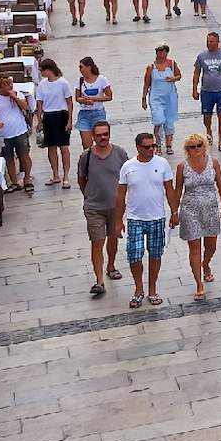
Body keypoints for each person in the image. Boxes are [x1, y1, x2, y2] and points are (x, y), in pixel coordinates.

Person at [116, 132, 177, 309]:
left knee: (155, 254)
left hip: (157, 216)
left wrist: (174, 212)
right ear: (138, 148)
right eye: (147, 147)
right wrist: (119, 220)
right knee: (134, 254)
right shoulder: (128, 167)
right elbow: (120, 195)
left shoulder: (162, 164)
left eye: (154, 146)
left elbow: (169, 190)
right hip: (135, 218)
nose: (151, 149)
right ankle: (138, 289)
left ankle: (152, 288)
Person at [170, 133, 221, 301]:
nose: (196, 149)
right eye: (192, 146)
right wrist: (174, 212)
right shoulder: (182, 166)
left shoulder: (213, 162)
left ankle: (206, 263)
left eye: (199, 145)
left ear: (204, 146)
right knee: (194, 248)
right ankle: (199, 284)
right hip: (190, 210)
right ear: (187, 149)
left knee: (211, 245)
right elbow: (177, 190)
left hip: (210, 207)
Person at [77, 120, 128, 295]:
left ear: (109, 134)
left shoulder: (120, 153)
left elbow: (127, 176)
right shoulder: (87, 156)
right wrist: (88, 195)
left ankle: (111, 265)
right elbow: (82, 178)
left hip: (115, 206)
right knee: (97, 241)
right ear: (93, 137)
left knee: (113, 237)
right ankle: (99, 281)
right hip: (94, 206)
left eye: (105, 134)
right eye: (99, 135)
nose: (103, 138)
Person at [192, 32, 221, 151]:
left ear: (218, 42)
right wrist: (194, 89)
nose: (209, 44)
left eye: (211, 41)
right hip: (206, 91)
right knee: (207, 115)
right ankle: (209, 131)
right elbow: (197, 72)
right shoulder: (202, 56)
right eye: (207, 41)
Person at [0, 75, 33, 193]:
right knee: (9, 158)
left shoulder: (18, 94)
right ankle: (14, 182)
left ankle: (27, 178)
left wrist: (15, 97)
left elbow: (25, 106)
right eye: (6, 84)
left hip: (20, 130)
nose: (9, 86)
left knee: (24, 155)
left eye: (10, 84)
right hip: (5, 134)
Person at [34, 59, 73, 189]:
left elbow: (69, 102)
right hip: (48, 115)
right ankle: (56, 174)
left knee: (64, 147)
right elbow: (39, 103)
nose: (42, 73)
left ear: (49, 70)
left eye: (43, 71)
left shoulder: (63, 83)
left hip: (61, 114)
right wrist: (39, 121)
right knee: (51, 147)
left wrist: (69, 120)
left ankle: (66, 176)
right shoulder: (42, 85)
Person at [74, 56, 113, 152]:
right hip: (84, 113)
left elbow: (109, 96)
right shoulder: (80, 81)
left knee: (101, 141)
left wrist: (94, 99)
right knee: (86, 145)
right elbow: (77, 97)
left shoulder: (101, 79)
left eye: (82, 67)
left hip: (98, 113)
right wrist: (84, 100)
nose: (80, 70)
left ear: (89, 67)